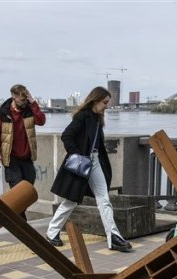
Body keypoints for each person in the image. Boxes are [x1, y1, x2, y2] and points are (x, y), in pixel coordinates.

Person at [45, 86, 132, 252]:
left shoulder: (98, 118)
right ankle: (52, 232)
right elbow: (67, 136)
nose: (107, 106)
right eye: (105, 102)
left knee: (104, 199)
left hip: (95, 161)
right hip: (82, 163)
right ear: (96, 100)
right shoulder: (83, 116)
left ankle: (114, 237)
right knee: (71, 200)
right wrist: (78, 155)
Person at [0, 84, 46, 188]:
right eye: (22, 100)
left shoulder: (29, 111)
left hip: (27, 159)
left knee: (28, 190)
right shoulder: (3, 113)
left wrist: (32, 101)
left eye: (26, 99)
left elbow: (41, 121)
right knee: (18, 190)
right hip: (11, 159)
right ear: (14, 97)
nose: (24, 102)